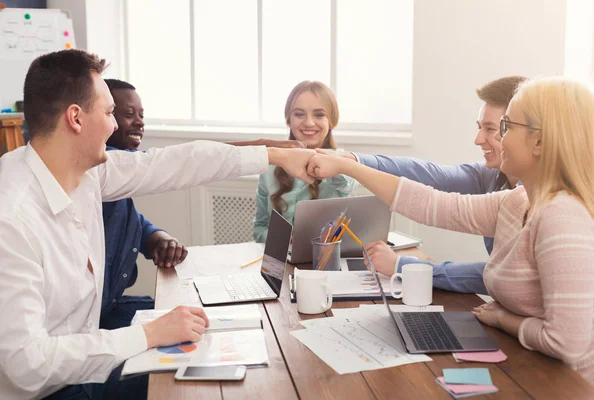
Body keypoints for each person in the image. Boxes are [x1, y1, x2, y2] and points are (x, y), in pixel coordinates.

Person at [0, 49, 317, 400]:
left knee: (214, 363)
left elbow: (173, 163)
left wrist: (276, 154)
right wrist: (149, 334)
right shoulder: (12, 219)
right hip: (46, 391)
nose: (115, 124)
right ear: (76, 118)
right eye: (108, 113)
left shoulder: (83, 172)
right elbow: (25, 365)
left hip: (82, 363)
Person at [307, 76, 594, 388]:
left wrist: (504, 319)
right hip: (532, 368)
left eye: (505, 127)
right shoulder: (517, 201)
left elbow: (565, 344)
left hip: (566, 385)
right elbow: (432, 204)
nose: (492, 139)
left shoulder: (563, 218)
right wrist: (348, 165)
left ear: (539, 141)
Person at [100, 79, 308, 332]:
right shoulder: (101, 170)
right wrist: (269, 150)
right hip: (102, 322)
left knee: (208, 319)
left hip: (115, 306)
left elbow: (129, 219)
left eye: (142, 115)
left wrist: (157, 237)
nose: (140, 122)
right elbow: (181, 161)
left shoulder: (115, 174)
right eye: (123, 114)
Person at [320, 76, 526, 294]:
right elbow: (427, 174)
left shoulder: (535, 198)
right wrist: (351, 160)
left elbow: (496, 275)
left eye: (491, 128)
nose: (478, 139)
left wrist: (404, 267)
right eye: (480, 127)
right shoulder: (492, 175)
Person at [253, 80, 357, 242]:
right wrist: (283, 239)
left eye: (319, 114)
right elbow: (260, 229)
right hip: (282, 260)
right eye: (299, 114)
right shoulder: (271, 167)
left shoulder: (344, 161)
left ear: (331, 121)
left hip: (325, 262)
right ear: (289, 119)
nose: (308, 123)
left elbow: (347, 184)